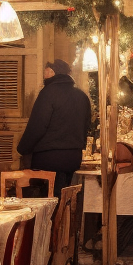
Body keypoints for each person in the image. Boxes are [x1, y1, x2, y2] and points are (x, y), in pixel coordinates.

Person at [17, 58, 92, 190]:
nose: (43, 76)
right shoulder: (82, 96)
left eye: (45, 72)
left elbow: (37, 126)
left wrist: (22, 149)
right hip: (73, 158)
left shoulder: (48, 93)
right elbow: (86, 126)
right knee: (64, 195)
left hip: (49, 159)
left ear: (52, 72)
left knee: (48, 198)